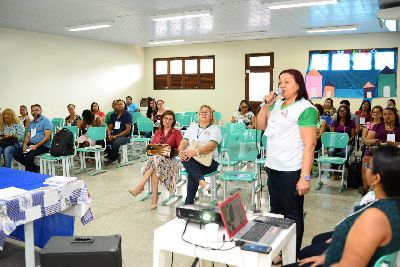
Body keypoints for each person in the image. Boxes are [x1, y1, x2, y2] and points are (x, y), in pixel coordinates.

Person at [294, 145, 400, 267]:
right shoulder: (390, 204)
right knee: (313, 245)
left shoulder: (375, 217)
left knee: (305, 253)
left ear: (376, 178)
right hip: (337, 255)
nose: (365, 168)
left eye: (367, 166)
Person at [256, 69, 317, 257]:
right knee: (276, 213)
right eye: (280, 81)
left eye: (287, 82)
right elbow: (260, 125)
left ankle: (292, 256)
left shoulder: (306, 108)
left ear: (299, 85)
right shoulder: (278, 104)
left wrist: (304, 177)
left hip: (292, 170)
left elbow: (310, 145)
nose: (281, 85)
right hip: (273, 167)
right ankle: (278, 254)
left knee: (293, 216)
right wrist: (266, 105)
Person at [128, 110, 183, 209]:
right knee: (156, 163)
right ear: (162, 120)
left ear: (173, 121)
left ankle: (140, 186)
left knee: (156, 159)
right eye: (165, 118)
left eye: (170, 119)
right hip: (157, 160)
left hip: (170, 161)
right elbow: (150, 148)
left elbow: (180, 149)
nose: (167, 121)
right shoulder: (158, 132)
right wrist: (160, 149)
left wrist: (164, 149)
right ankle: (154, 197)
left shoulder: (177, 133)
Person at [178, 105, 222, 205]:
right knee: (186, 158)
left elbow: (211, 146)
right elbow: (184, 142)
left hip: (210, 162)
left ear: (211, 116)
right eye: (202, 111)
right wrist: (181, 151)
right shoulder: (192, 127)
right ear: (198, 114)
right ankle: (202, 183)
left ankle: (188, 204)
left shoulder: (215, 129)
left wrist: (195, 152)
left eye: (207, 112)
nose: (204, 113)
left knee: (191, 171)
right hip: (194, 160)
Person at [360, 107, 400, 195]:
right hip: (378, 150)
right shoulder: (377, 126)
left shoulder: (398, 128)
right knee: (366, 159)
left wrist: (394, 144)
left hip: (395, 152)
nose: (387, 116)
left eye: (390, 114)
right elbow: (367, 141)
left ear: (395, 116)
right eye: (385, 114)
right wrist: (374, 141)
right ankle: (365, 189)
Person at [13, 104, 52, 172]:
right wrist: (25, 145)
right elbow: (28, 136)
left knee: (29, 156)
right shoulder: (31, 123)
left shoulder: (46, 121)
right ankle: (34, 168)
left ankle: (29, 173)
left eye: (36, 110)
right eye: (33, 111)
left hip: (43, 146)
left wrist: (36, 146)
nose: (34, 112)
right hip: (31, 144)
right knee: (16, 154)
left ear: (41, 110)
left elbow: (47, 137)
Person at [329, 105, 356, 179]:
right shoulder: (335, 122)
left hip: (348, 143)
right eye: (340, 111)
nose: (342, 112)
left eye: (344, 110)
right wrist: (337, 142)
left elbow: (353, 136)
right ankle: (335, 170)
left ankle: (342, 167)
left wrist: (346, 141)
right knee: (331, 151)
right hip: (336, 143)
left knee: (345, 152)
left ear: (347, 112)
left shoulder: (351, 122)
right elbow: (332, 134)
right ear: (338, 112)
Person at [104, 99, 132, 165]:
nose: (119, 106)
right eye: (117, 104)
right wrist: (109, 134)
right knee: (101, 141)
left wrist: (115, 136)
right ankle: (116, 154)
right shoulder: (113, 115)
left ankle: (112, 158)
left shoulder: (128, 115)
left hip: (125, 136)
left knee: (116, 143)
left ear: (124, 105)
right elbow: (109, 127)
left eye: (121, 104)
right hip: (114, 135)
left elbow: (127, 130)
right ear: (115, 106)